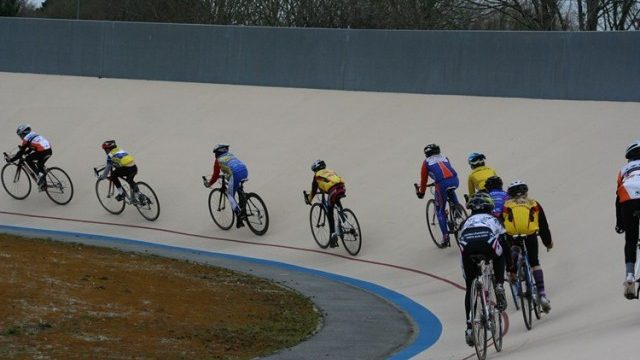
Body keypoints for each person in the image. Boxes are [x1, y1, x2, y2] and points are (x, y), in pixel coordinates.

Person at [458, 192, 507, 347]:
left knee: (470, 285)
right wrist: (510, 266)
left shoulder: (465, 221)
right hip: (487, 240)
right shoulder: (494, 219)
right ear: (489, 207)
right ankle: (499, 285)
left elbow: (460, 243)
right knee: (499, 256)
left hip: (467, 244)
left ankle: (470, 328)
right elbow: (505, 244)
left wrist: (467, 275)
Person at [502, 180, 553, 313]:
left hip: (513, 235)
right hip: (530, 234)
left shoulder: (506, 205)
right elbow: (543, 226)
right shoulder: (534, 203)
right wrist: (548, 242)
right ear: (526, 192)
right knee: (534, 262)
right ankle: (541, 295)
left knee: (513, 248)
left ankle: (512, 271)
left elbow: (502, 224)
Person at [416, 144, 461, 246]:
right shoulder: (445, 158)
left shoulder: (426, 162)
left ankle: (445, 237)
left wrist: (421, 193)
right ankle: (457, 211)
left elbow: (424, 180)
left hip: (441, 184)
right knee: (450, 190)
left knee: (440, 210)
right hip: (455, 180)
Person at [615, 139, 640, 299]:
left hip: (628, 199)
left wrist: (619, 223)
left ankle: (630, 276)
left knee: (631, 239)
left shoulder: (624, 170)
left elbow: (617, 198)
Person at [205, 144, 249, 229]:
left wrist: (209, 184)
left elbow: (215, 175)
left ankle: (239, 213)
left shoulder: (218, 160)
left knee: (230, 195)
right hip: (244, 170)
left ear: (216, 153)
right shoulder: (230, 155)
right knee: (238, 188)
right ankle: (243, 206)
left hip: (235, 174)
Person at [305, 160, 346, 248]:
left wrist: (309, 200)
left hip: (333, 190)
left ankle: (333, 234)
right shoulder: (330, 171)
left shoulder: (317, 176)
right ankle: (343, 217)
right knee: (336, 199)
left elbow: (313, 191)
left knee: (330, 212)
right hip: (342, 187)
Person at [5, 124, 52, 190]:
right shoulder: (34, 135)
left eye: (20, 135)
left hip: (42, 152)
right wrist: (25, 152)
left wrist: (11, 160)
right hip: (49, 150)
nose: (20, 137)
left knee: (28, 159)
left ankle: (40, 176)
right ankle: (43, 183)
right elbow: (31, 148)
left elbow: (20, 154)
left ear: (24, 133)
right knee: (40, 165)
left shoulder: (26, 139)